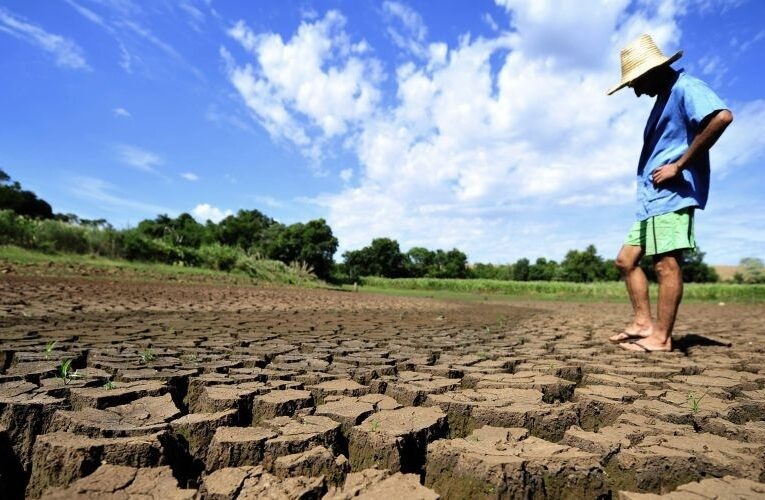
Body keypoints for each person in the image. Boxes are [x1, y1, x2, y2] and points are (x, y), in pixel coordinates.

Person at [606, 34, 733, 352]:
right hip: (651, 198)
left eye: (635, 82)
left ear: (652, 70)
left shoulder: (685, 87)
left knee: (666, 264)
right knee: (625, 260)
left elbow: (721, 117)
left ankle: (661, 338)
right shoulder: (664, 96)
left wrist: (679, 164)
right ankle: (643, 324)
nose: (635, 91)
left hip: (672, 194)